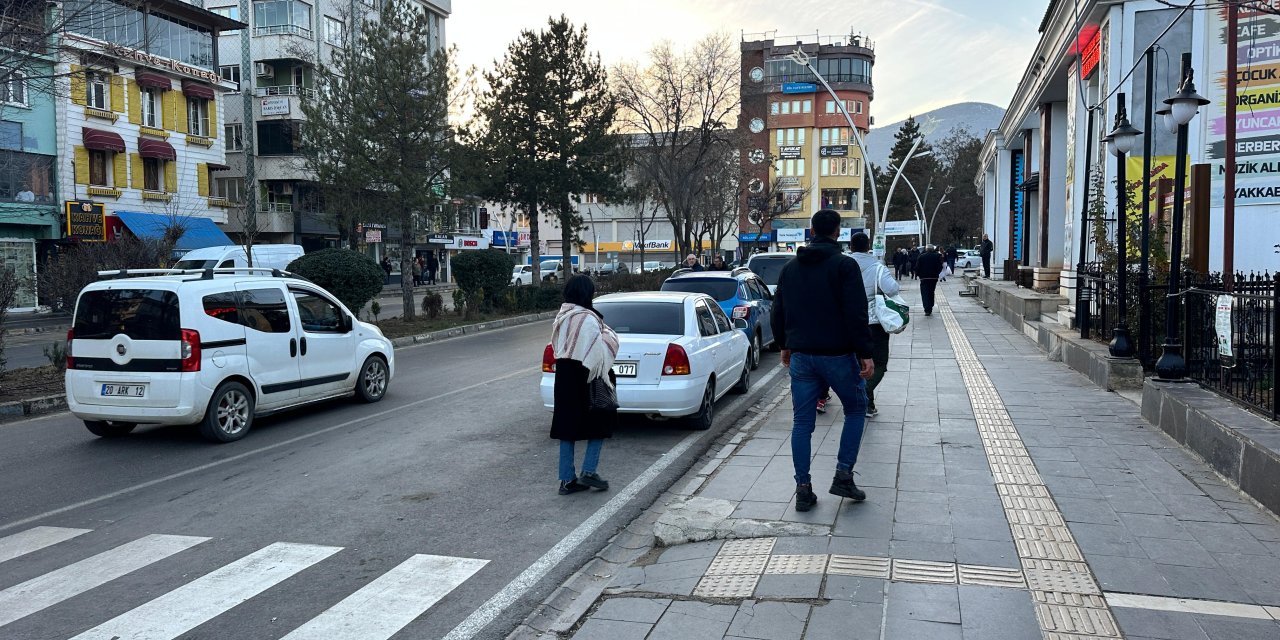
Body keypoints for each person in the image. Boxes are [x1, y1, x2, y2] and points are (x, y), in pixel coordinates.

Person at [771, 209, 876, 512]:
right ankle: (843, 474)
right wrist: (865, 353)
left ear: (812, 231)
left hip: (802, 356)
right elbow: (855, 313)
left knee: (802, 422)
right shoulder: (845, 266)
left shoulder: (790, 269)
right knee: (855, 409)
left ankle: (803, 488)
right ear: (837, 232)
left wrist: (784, 344)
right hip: (838, 355)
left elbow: (779, 310)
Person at [550, 275, 620, 495]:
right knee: (600, 422)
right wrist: (610, 337)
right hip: (586, 376)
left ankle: (567, 480)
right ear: (586, 293)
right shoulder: (588, 319)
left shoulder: (563, 316)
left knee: (567, 429)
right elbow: (596, 353)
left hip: (564, 376)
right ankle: (589, 471)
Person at [848, 233, 897, 418]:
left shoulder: (843, 264)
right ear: (868, 246)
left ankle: (868, 403)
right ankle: (863, 396)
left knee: (856, 362)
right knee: (879, 363)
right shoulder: (878, 268)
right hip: (874, 322)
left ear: (851, 246)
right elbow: (892, 289)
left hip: (849, 322)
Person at [916, 245, 946, 316]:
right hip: (933, 277)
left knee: (924, 293)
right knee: (931, 291)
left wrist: (918, 274)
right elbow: (940, 266)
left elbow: (917, 266)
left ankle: (927, 308)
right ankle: (931, 305)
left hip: (924, 278)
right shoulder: (937, 256)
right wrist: (937, 273)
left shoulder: (921, 256)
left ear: (926, 249)